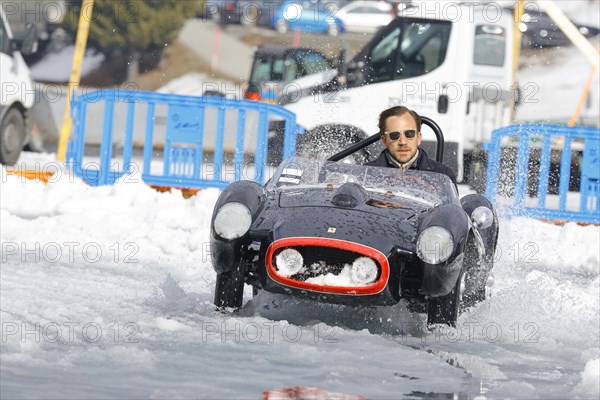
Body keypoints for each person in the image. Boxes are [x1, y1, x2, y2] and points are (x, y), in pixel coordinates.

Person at [365, 106, 457, 185]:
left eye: (409, 134)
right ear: (384, 140)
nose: (403, 142)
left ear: (419, 138)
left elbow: (451, 206)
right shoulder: (365, 174)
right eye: (394, 135)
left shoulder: (443, 176)